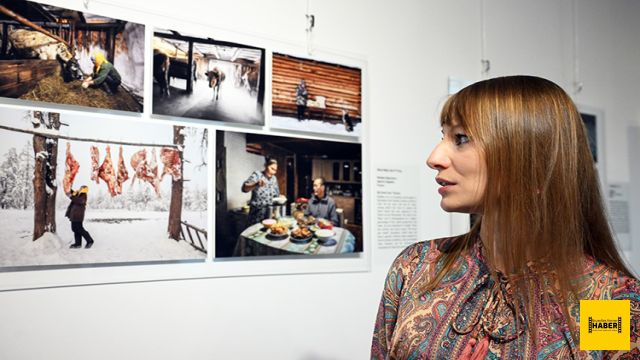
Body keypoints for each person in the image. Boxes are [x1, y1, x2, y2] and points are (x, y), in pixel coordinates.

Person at [371, 76, 639, 359]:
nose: (434, 157)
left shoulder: (606, 300)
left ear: (534, 159)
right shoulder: (417, 267)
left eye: (461, 138)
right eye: (443, 137)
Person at [242, 158, 280, 225]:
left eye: (275, 170)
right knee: (254, 232)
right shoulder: (257, 174)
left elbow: (276, 195)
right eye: (272, 168)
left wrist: (280, 197)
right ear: (266, 165)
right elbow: (244, 188)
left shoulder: (274, 178)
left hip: (269, 213)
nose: (273, 172)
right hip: (257, 213)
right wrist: (256, 184)